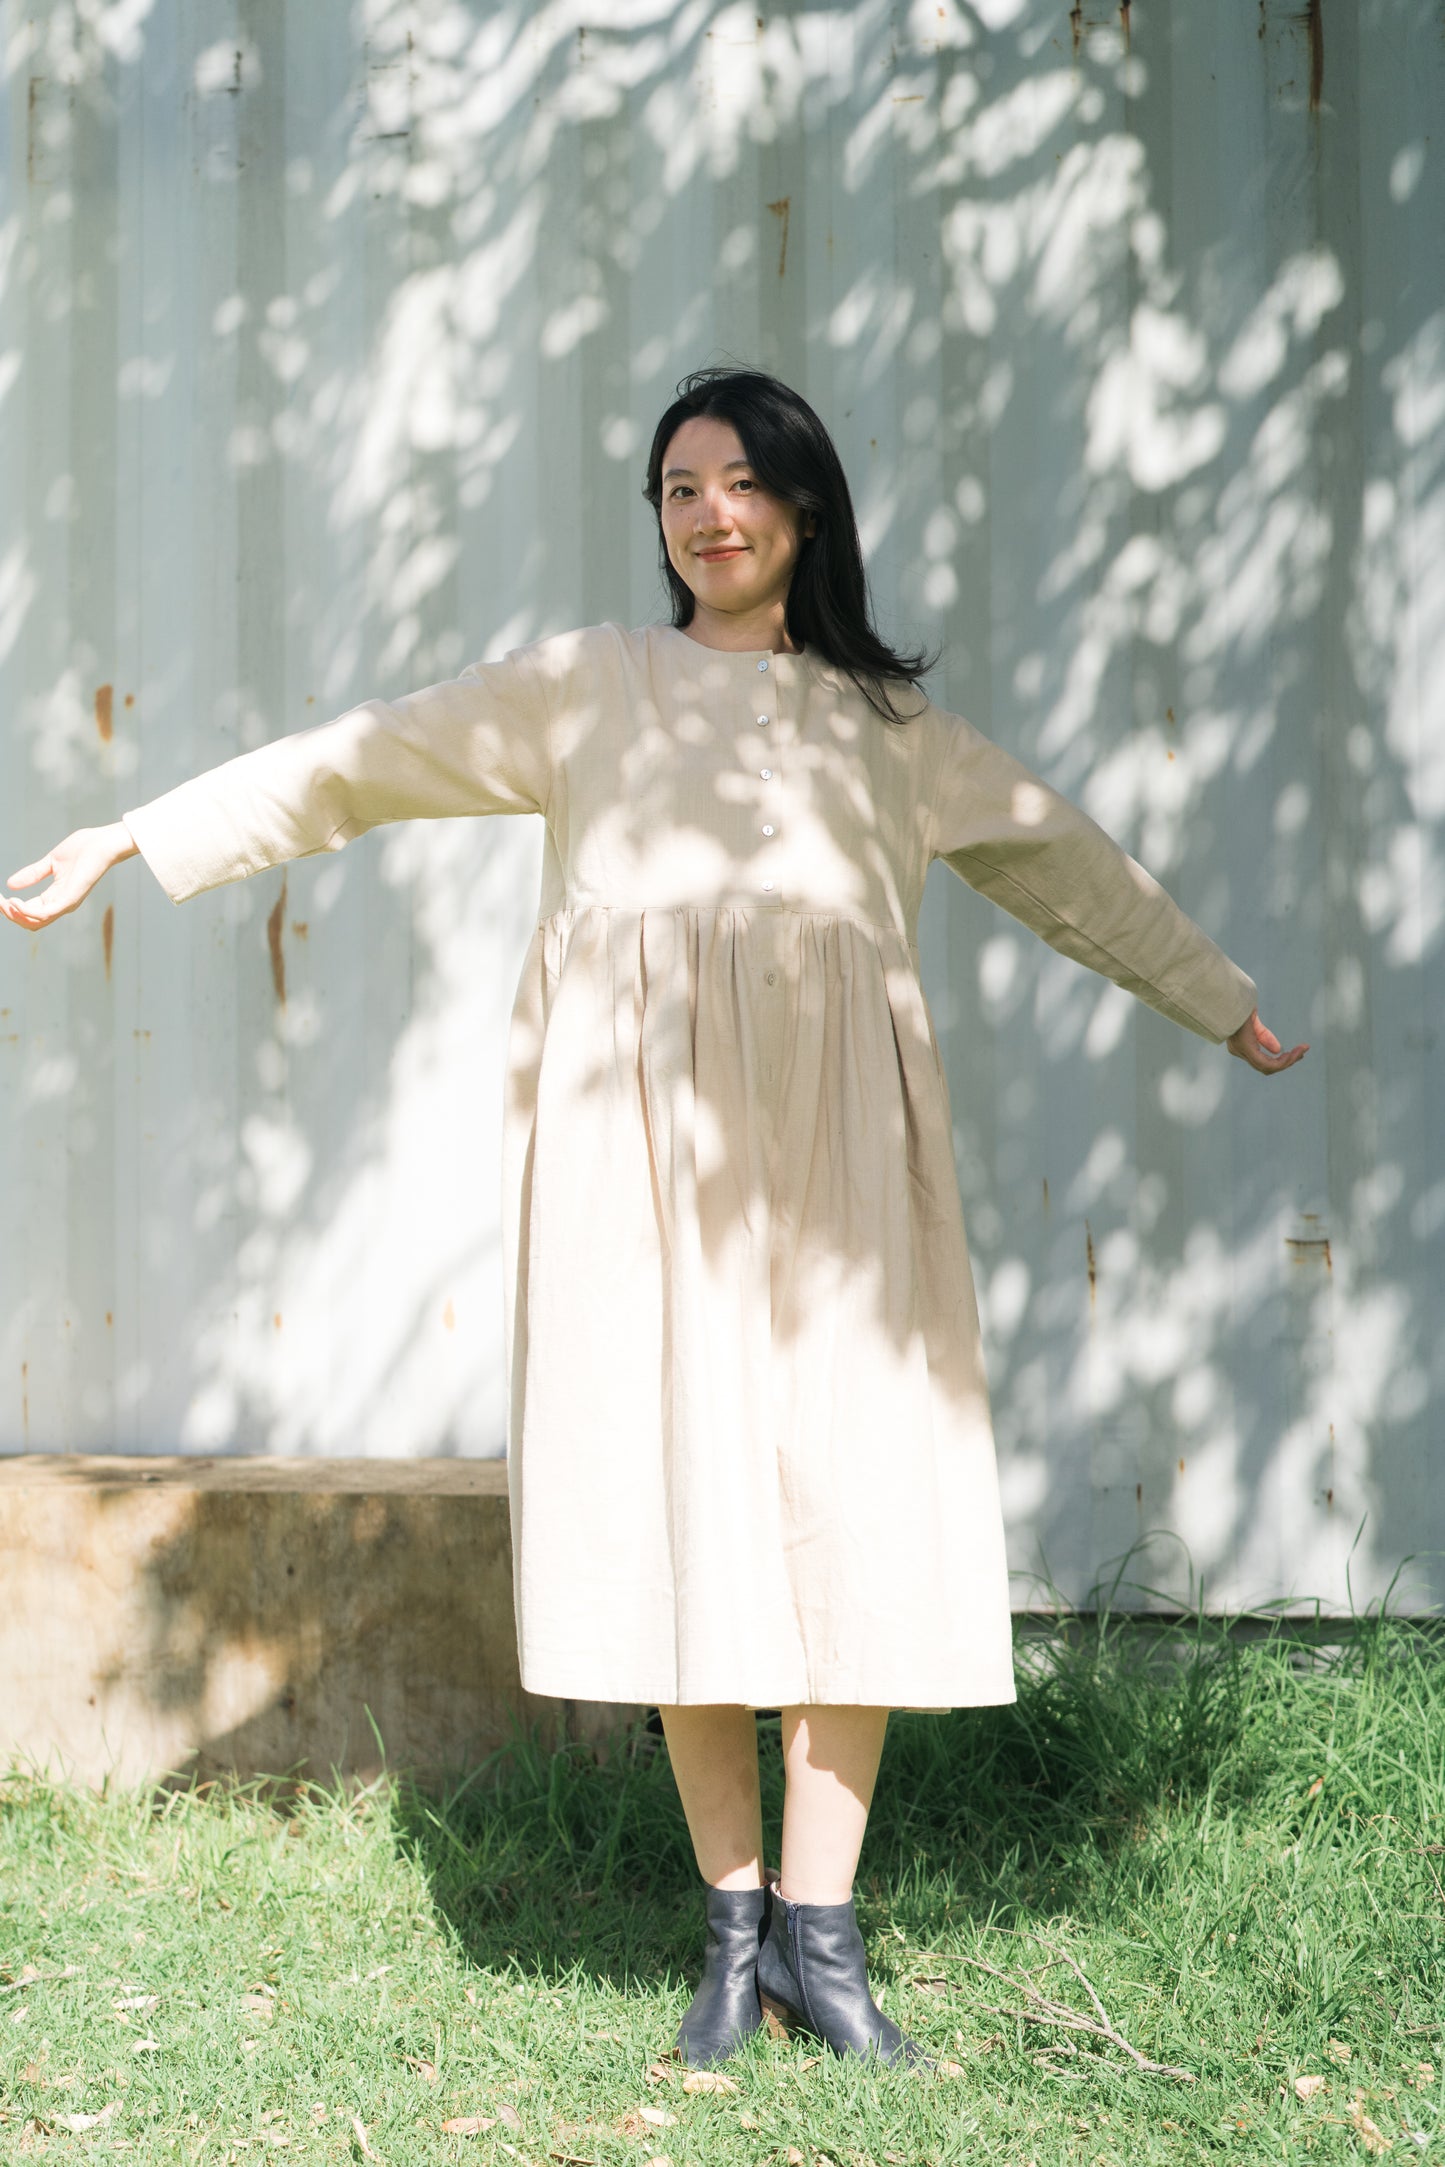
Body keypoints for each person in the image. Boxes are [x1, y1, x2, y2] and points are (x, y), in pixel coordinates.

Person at [3, 367, 1307, 2071]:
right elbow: (360, 763)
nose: (707, 513)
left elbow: (1067, 866)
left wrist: (1218, 1001)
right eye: (677, 487)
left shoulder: (888, 730)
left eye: (740, 482)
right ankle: (733, 1929)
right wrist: (137, 830)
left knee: (860, 1518)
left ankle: (825, 1946)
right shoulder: (581, 691)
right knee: (681, 1513)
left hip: (848, 1192)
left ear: (807, 510)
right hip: (639, 1178)